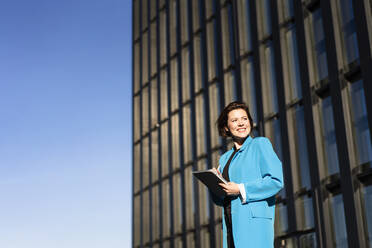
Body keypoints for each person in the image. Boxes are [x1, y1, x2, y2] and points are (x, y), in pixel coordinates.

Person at [211, 101, 284, 248]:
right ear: (226, 127)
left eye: (244, 119)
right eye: (234, 120)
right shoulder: (224, 158)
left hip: (254, 227)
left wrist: (240, 189)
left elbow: (276, 181)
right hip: (231, 226)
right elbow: (221, 199)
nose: (241, 123)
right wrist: (213, 182)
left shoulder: (260, 144)